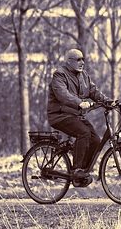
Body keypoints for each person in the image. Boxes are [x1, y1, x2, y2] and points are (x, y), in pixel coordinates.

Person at [47, 48, 110, 186]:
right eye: (78, 59)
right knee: (84, 132)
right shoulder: (59, 75)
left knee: (96, 140)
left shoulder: (84, 75)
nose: (82, 62)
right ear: (69, 62)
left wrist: (108, 101)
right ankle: (77, 169)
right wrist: (80, 103)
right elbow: (63, 94)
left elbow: (93, 91)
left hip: (75, 115)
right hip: (60, 115)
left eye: (83, 59)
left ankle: (82, 173)